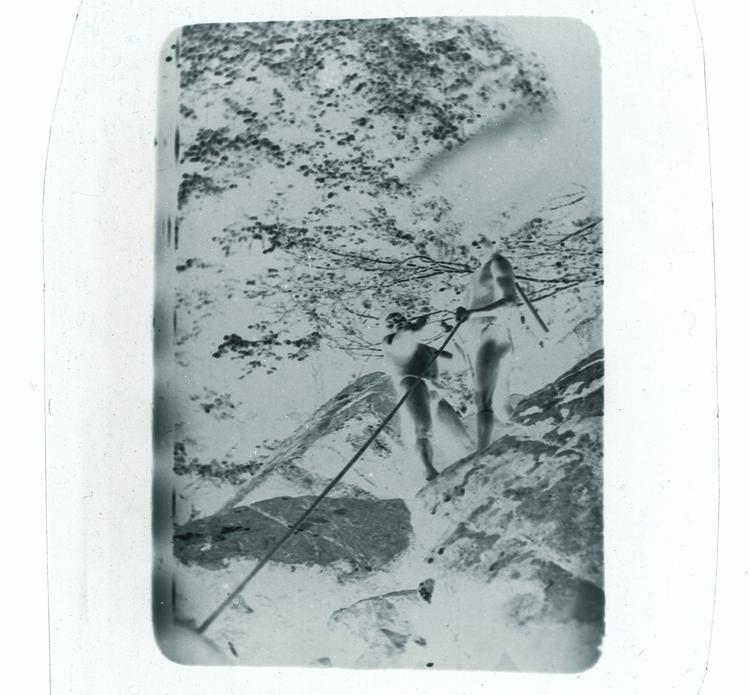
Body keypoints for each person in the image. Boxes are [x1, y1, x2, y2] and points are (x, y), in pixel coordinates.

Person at [383, 311, 471, 480]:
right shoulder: (390, 341)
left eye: (400, 318)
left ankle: (471, 461)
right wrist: (422, 318)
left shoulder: (428, 349)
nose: (397, 321)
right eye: (392, 321)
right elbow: (409, 330)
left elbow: (460, 362)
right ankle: (428, 470)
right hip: (413, 383)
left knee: (464, 440)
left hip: (434, 391)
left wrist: (450, 335)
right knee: (423, 430)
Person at [456, 250, 520, 451]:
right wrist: (462, 312)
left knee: (482, 397)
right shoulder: (477, 271)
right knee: (501, 407)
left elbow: (510, 299)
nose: (475, 245)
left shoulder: (498, 263)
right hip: (482, 337)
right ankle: (529, 433)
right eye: (472, 242)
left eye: (479, 239)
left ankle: (481, 453)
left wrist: (472, 312)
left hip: (493, 332)